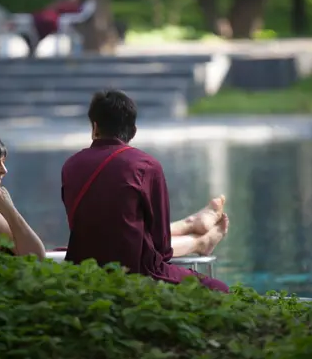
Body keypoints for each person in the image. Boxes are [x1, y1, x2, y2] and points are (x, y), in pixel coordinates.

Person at [0, 132, 228, 265]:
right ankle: (199, 240)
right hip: (57, 265)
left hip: (59, 256)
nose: (4, 171)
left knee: (117, 235)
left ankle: (189, 224)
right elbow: (36, 256)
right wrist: (9, 210)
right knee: (128, 248)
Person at [61, 90, 230, 292]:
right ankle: (197, 235)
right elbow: (162, 247)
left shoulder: (70, 166)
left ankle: (193, 228)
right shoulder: (145, 166)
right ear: (133, 131)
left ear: (95, 127)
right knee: (219, 288)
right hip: (135, 273)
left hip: (86, 269)